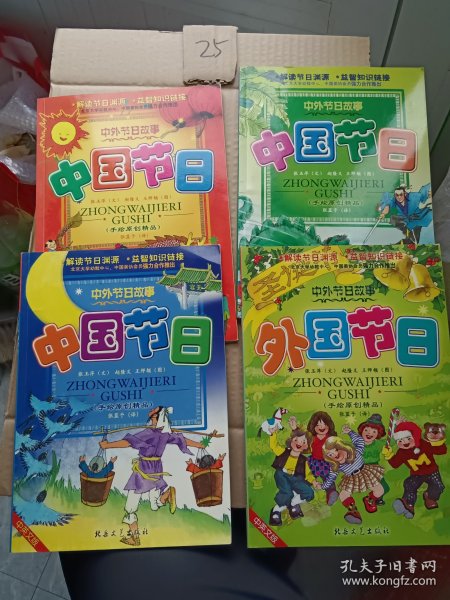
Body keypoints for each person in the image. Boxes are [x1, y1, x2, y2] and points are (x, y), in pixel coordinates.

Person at [99, 405, 205, 546]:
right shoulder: (166, 434)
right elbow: (183, 440)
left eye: (152, 411)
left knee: (130, 506)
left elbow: (128, 442)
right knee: (154, 505)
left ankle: (134, 538)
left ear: (155, 417)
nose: (150, 411)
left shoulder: (148, 433)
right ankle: (166, 494)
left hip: (143, 469)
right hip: (156, 468)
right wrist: (199, 445)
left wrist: (107, 446)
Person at [316, 425, 384, 524]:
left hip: (365, 472)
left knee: (380, 490)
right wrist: (322, 486)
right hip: (351, 478)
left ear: (342, 447)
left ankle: (369, 500)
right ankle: (353, 511)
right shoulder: (336, 465)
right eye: (330, 454)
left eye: (336, 450)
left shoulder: (355, 452)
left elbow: (360, 441)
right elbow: (331, 478)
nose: (335, 454)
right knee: (343, 495)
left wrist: (350, 432)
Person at [383, 420, 446, 519]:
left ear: (415, 437)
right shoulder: (401, 452)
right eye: (400, 441)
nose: (405, 443)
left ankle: (430, 497)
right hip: (416, 474)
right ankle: (408, 504)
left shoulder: (424, 444)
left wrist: (437, 442)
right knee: (409, 484)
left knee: (438, 486)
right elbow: (395, 464)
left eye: (408, 438)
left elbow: (442, 451)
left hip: (432, 471)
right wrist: (389, 455)